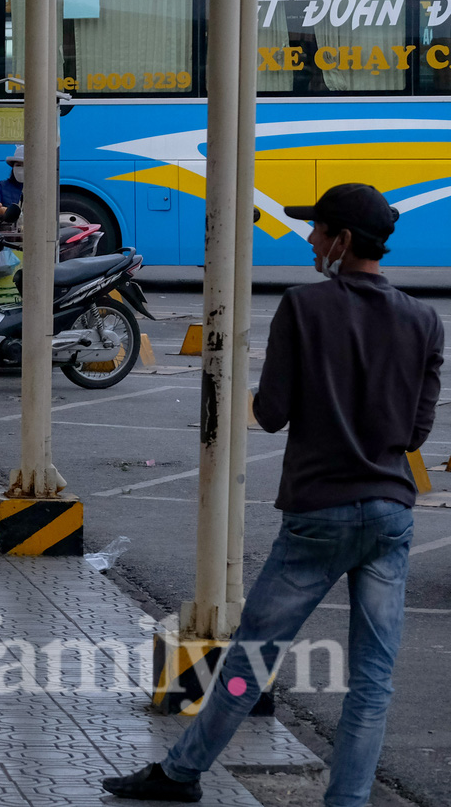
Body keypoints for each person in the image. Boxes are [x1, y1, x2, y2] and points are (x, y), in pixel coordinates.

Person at [103, 184, 441, 806]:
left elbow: (274, 413)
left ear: (341, 241)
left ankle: (181, 774)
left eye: (318, 231)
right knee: (372, 681)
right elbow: (415, 431)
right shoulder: (424, 320)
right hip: (391, 514)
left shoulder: (304, 309)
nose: (310, 240)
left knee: (249, 663)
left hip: (319, 513)